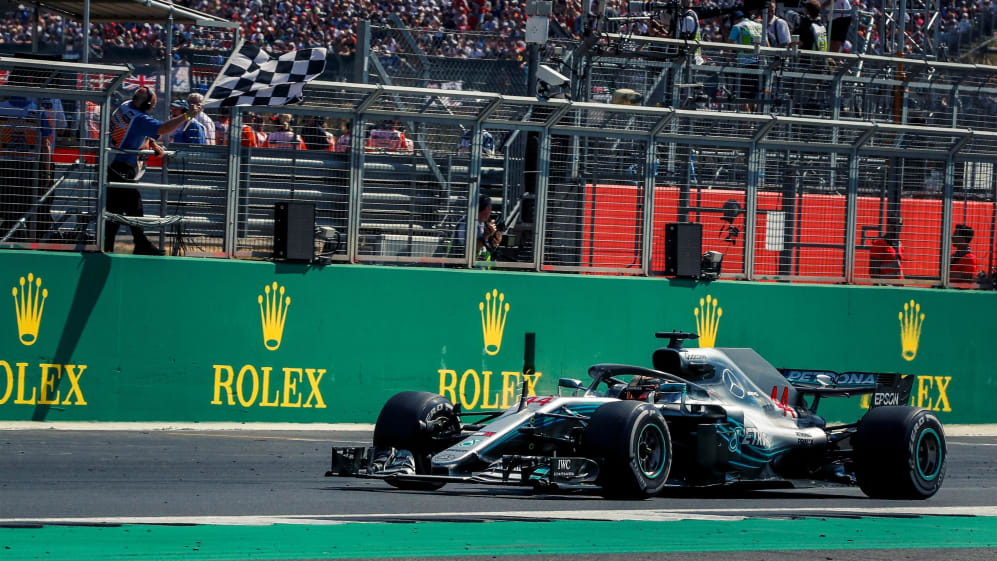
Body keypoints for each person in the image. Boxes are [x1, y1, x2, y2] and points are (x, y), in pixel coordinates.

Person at [105, 87, 198, 255]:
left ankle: (116, 245)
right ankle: (139, 245)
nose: (153, 109)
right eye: (152, 106)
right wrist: (187, 115)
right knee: (133, 208)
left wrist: (152, 143)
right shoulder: (139, 119)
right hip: (122, 167)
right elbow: (163, 129)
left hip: (113, 164)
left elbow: (135, 131)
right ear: (146, 105)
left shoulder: (126, 106)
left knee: (118, 211)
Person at [0, 93, 54, 241]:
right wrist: (47, 173)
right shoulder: (37, 111)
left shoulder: (1, 108)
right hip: (28, 168)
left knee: (6, 207)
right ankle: (22, 239)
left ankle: (8, 237)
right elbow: (45, 144)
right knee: (26, 207)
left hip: (4, 166)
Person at [728, 11, 764, 108]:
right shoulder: (759, 26)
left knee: (742, 99)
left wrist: (730, 60)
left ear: (734, 20)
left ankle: (746, 118)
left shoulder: (737, 27)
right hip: (760, 64)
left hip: (745, 66)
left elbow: (728, 45)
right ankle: (753, 118)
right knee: (753, 98)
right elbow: (767, 44)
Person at [453, 194, 502, 260]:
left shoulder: (483, 224)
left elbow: (486, 247)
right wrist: (485, 236)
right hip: (461, 264)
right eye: (486, 211)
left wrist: (495, 241)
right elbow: (469, 249)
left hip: (480, 265)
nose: (488, 214)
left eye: (489, 210)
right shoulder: (465, 225)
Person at [869, 215, 903, 281]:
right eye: (893, 223)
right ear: (887, 225)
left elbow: (900, 269)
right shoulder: (879, 244)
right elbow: (873, 272)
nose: (896, 226)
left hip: (897, 285)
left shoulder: (899, 244)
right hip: (885, 285)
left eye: (899, 224)